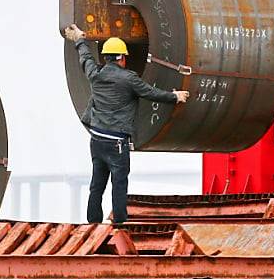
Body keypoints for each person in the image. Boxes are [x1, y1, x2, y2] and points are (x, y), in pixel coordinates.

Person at [63, 24, 190, 224]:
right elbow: (151, 93)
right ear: (122, 58)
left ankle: (93, 223)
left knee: (97, 185)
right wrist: (174, 96)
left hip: (97, 140)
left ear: (106, 57)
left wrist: (80, 39)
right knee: (119, 184)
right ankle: (119, 224)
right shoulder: (129, 79)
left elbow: (86, 58)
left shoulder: (95, 74)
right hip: (117, 143)